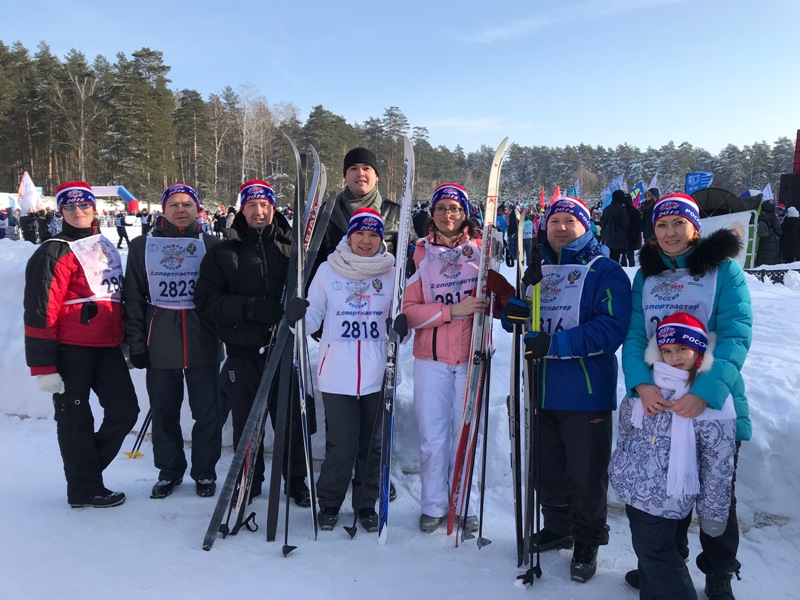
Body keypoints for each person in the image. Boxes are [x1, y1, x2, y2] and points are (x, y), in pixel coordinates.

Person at [621, 192, 752, 600]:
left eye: (679, 223)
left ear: (695, 227)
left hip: (712, 399)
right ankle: (667, 563)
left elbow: (735, 334)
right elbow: (636, 334)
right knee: (666, 488)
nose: (671, 232)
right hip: (660, 400)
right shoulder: (647, 275)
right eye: (662, 225)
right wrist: (640, 384)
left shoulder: (723, 270)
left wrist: (705, 393)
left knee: (716, 493)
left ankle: (719, 570)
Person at [516, 196, 632, 583]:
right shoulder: (538, 269)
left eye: (570, 220)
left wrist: (556, 344)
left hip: (585, 391)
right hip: (540, 387)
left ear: (586, 226)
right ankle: (557, 526)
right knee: (547, 468)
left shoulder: (605, 270)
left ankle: (587, 539)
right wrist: (512, 313)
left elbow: (611, 329)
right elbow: (524, 319)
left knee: (586, 473)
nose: (561, 227)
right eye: (554, 221)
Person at [402, 182, 515, 534]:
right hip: (431, 358)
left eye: (454, 208)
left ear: (464, 213)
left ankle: (465, 503)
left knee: (467, 433)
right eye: (440, 208)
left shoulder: (482, 250)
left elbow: (497, 303)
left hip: (472, 357)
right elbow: (409, 312)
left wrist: (502, 298)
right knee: (432, 437)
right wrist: (453, 311)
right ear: (431, 214)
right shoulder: (420, 254)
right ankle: (433, 505)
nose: (447, 214)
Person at [194, 180, 312, 507]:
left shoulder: (291, 249)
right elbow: (205, 302)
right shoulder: (223, 252)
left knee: (290, 418)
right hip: (243, 352)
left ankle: (296, 481)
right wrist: (249, 308)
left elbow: (313, 290)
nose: (259, 211)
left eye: (264, 205)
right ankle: (249, 478)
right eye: (252, 205)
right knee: (247, 420)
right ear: (241, 210)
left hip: (284, 348)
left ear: (273, 208)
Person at [23, 181, 139, 508]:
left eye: (84, 205)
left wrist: (127, 339)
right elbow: (40, 310)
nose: (78, 211)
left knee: (125, 411)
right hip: (69, 349)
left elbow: (114, 296)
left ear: (94, 208)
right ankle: (84, 488)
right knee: (75, 419)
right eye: (70, 206)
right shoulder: (53, 251)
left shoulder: (103, 244)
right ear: (61, 211)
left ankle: (84, 474)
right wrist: (44, 367)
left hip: (107, 346)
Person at [610, 312, 738, 600]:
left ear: (699, 351)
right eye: (666, 350)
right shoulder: (646, 386)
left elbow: (718, 464)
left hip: (670, 495)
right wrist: (621, 468)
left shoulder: (706, 399)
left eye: (682, 348)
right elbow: (627, 432)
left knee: (656, 553)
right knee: (648, 552)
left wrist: (713, 513)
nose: (674, 357)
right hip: (635, 488)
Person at [300, 207, 401, 532]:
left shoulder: (392, 271)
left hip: (377, 372)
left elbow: (402, 319)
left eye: (373, 235)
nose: (366, 241)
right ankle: (330, 501)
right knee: (342, 443)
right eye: (360, 233)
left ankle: (366, 504)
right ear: (350, 235)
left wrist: (403, 326)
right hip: (337, 373)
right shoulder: (328, 270)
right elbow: (312, 317)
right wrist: (297, 316)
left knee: (372, 444)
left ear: (381, 239)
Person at [123, 184, 222, 499]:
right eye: (174, 204)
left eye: (187, 204)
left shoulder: (212, 244)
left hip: (202, 340)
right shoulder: (142, 246)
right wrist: (136, 342)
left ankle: (204, 471)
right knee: (164, 410)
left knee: (207, 412)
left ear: (197, 210)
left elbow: (224, 295)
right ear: (163, 210)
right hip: (160, 340)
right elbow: (133, 297)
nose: (181, 209)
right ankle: (169, 471)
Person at [317, 147, 404, 267]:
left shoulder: (395, 213)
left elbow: (410, 257)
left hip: (383, 277)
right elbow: (315, 260)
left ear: (376, 176)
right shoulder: (327, 212)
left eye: (366, 168)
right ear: (345, 176)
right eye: (353, 168)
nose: (360, 173)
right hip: (335, 278)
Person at [600, 189, 630, 264]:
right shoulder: (621, 210)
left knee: (609, 259)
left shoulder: (607, 209)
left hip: (608, 238)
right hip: (619, 239)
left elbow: (602, 222)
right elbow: (625, 223)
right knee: (617, 260)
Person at [755, 200, 782, 266]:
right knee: (771, 256)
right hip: (771, 239)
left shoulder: (760, 216)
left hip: (763, 238)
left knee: (763, 254)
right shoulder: (773, 216)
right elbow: (777, 228)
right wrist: (781, 234)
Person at [623, 196, 642, 267]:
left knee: (629, 254)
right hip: (631, 235)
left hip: (630, 235)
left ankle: (631, 267)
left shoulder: (629, 211)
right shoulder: (634, 210)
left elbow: (638, 225)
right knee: (629, 254)